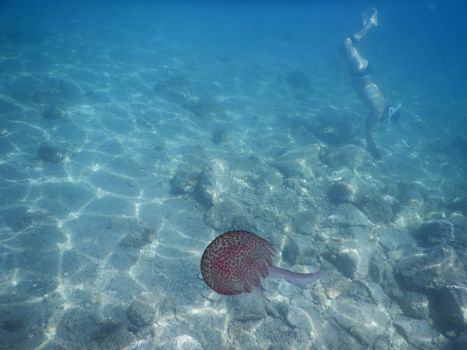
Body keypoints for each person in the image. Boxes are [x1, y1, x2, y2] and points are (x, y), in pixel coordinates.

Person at [340, 8, 401, 159]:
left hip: (363, 72)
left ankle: (365, 25)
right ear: (386, 116)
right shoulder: (377, 112)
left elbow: (385, 97)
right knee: (346, 44)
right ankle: (370, 24)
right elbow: (368, 128)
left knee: (343, 47)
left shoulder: (383, 103)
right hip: (361, 72)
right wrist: (371, 146)